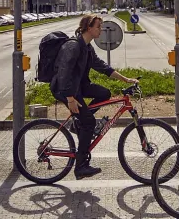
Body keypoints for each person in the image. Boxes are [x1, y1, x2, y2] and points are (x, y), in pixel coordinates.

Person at [50, 14, 138, 180]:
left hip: (78, 87)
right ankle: (81, 166)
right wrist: (70, 99)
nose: (101, 29)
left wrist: (126, 79)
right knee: (89, 122)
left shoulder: (87, 47)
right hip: (65, 89)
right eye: (98, 26)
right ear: (89, 28)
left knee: (104, 93)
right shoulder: (73, 46)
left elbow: (102, 67)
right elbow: (64, 73)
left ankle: (80, 124)